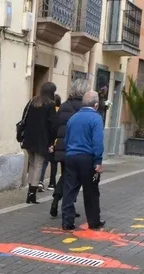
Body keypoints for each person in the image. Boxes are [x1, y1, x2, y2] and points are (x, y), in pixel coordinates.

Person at [60, 91, 105, 231]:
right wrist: (98, 161)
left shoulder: (73, 118)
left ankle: (67, 221)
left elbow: (67, 139)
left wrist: (69, 152)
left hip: (71, 157)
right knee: (91, 190)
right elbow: (97, 141)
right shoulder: (96, 118)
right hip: (87, 158)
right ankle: (94, 221)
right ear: (96, 105)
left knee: (69, 189)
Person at [50, 80, 88, 218]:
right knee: (74, 179)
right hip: (75, 147)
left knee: (66, 174)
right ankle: (66, 205)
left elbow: (56, 125)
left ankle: (57, 200)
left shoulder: (64, 105)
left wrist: (53, 143)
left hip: (61, 146)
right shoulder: (84, 108)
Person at [20, 82, 58, 204]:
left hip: (29, 138)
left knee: (32, 164)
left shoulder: (32, 101)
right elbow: (53, 125)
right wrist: (51, 142)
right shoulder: (50, 104)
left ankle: (29, 192)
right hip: (42, 139)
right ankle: (32, 194)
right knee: (38, 165)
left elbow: (24, 118)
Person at [38, 94, 61, 191]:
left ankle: (40, 181)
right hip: (56, 141)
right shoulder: (60, 111)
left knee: (44, 161)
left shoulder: (47, 110)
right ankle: (52, 183)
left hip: (47, 140)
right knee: (54, 163)